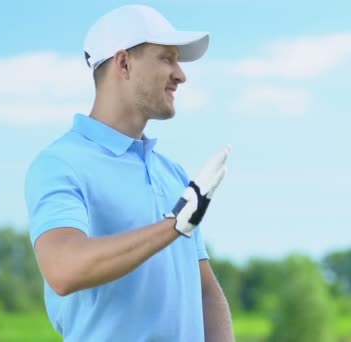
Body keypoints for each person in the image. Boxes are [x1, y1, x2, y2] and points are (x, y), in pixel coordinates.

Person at [24, 4, 234, 341]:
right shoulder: (61, 163)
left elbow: (206, 293)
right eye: (167, 58)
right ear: (124, 63)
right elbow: (62, 268)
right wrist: (174, 225)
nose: (181, 75)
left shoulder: (174, 174)